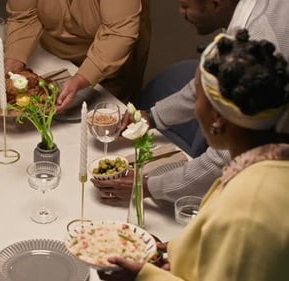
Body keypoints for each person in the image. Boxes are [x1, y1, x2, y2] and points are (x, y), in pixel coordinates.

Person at [100, 29, 289, 281]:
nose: (193, 105)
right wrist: (176, 251)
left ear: (218, 118)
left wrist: (143, 277)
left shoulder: (248, 207)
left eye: (197, 96)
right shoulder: (268, 166)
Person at [92, 0, 289, 204]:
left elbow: (224, 157)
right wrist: (151, 117)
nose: (180, 12)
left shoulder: (262, 38)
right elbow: (204, 85)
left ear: (215, 4)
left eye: (185, 6)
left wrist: (147, 186)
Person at [4, 0, 151, 111]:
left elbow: (118, 33)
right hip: (53, 56)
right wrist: (11, 67)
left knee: (104, 129)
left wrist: (81, 78)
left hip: (109, 64)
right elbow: (24, 18)